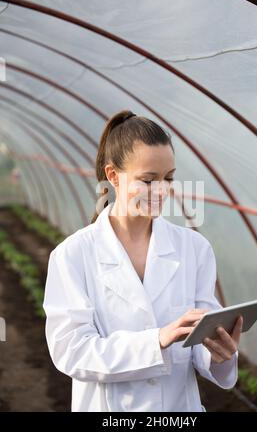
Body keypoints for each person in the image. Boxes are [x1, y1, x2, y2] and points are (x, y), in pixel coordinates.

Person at [43, 110, 243, 412]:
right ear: (113, 176)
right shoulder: (72, 255)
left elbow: (199, 342)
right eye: (148, 180)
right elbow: (71, 351)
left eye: (168, 178)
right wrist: (156, 341)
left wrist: (218, 354)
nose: (161, 190)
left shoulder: (194, 248)